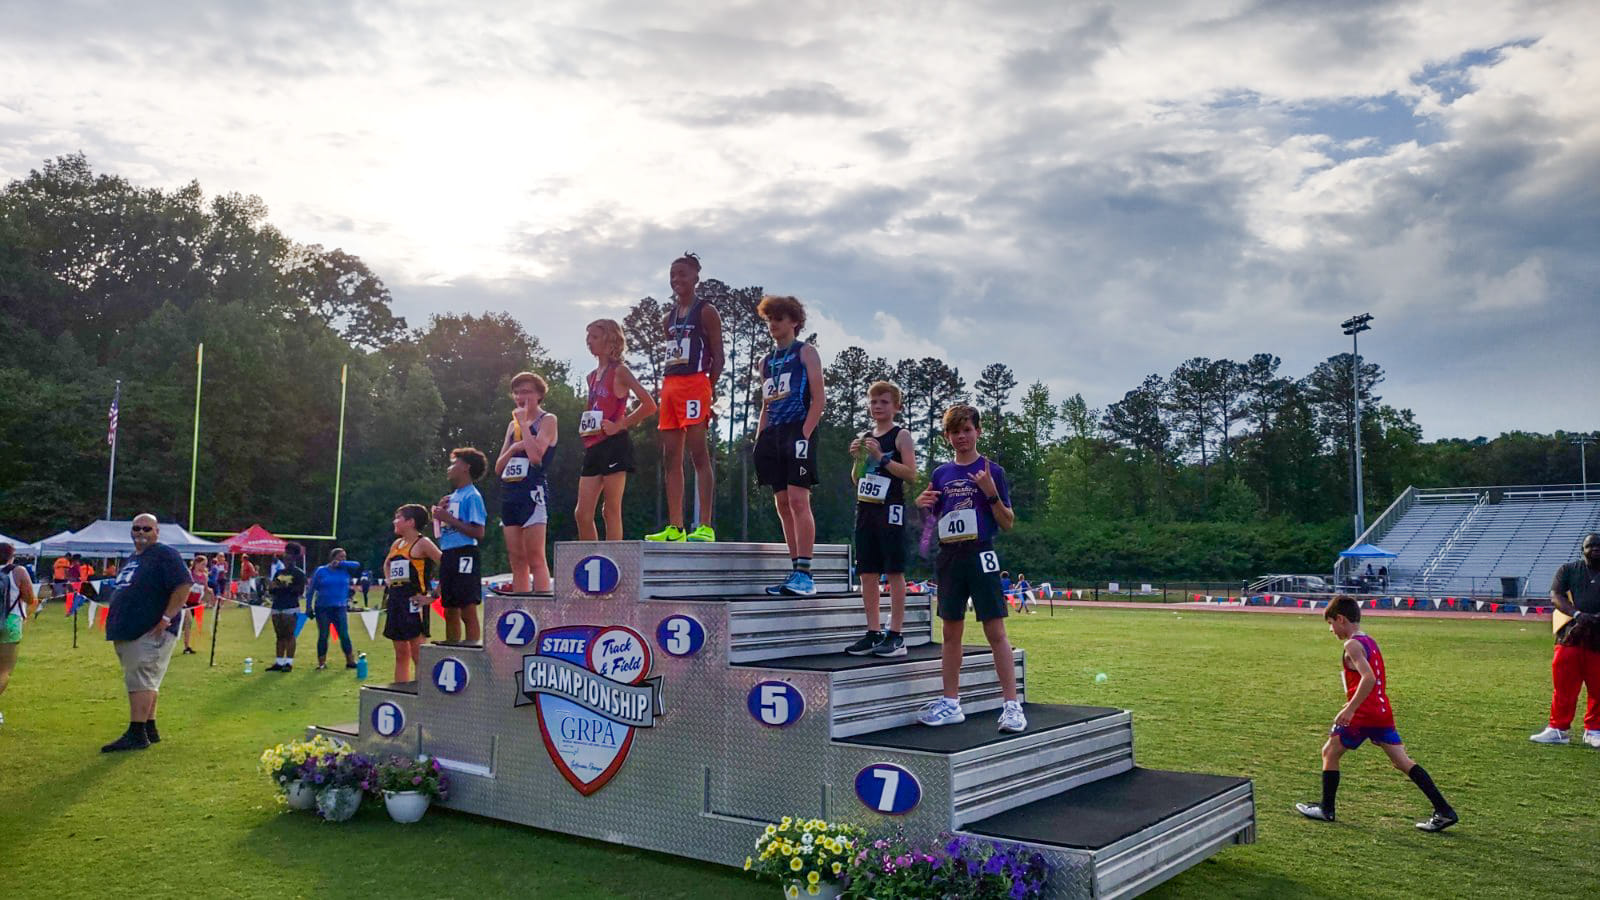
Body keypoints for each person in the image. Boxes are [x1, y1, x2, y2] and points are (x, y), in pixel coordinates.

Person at [1295, 595, 1458, 831]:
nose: (1331, 630)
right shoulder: (1369, 641)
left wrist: (1350, 709)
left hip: (1363, 714)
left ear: (1341, 619)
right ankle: (1444, 810)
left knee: (1329, 752)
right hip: (1381, 712)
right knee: (1402, 761)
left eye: (1331, 623)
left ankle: (1326, 809)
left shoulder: (1351, 644)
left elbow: (1368, 678)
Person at [916, 405, 1026, 733]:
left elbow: (1007, 523)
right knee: (951, 633)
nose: (961, 437)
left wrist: (990, 493)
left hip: (981, 554)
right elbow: (930, 524)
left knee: (995, 632)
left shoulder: (993, 470)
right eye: (955, 432)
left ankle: (1012, 706)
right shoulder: (941, 474)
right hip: (950, 556)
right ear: (947, 436)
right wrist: (922, 508)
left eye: (967, 430)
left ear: (978, 431)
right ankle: (950, 703)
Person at [646, 252, 724, 543]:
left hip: (695, 384)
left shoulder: (706, 311)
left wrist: (708, 390)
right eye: (673, 275)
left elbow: (718, 355)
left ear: (695, 278)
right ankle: (675, 527)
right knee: (670, 457)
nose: (677, 279)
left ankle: (705, 525)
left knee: (698, 452)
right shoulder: (668, 318)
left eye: (682, 274)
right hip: (671, 386)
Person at [101, 515, 194, 752]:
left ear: (157, 531)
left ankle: (137, 733)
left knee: (140, 680)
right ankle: (149, 727)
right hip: (130, 629)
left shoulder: (165, 554)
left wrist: (166, 617)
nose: (141, 532)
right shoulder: (136, 557)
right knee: (146, 680)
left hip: (149, 628)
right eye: (136, 528)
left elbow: (184, 584)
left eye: (146, 528)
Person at [754, 295, 826, 596]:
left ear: (794, 322)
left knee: (799, 500)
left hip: (799, 429)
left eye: (779, 319)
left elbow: (819, 399)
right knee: (782, 504)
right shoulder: (766, 361)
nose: (773, 324)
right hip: (773, 434)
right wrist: (760, 438)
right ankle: (794, 568)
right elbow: (766, 404)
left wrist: (805, 434)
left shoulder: (805, 353)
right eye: (769, 319)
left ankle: (806, 573)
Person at [843, 381, 916, 656]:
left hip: (891, 508)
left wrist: (880, 457)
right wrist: (857, 459)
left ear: (896, 406)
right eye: (873, 402)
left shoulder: (901, 435)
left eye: (884, 402)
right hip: (866, 509)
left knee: (894, 570)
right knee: (868, 572)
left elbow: (911, 473)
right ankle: (873, 632)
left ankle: (895, 634)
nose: (878, 407)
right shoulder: (865, 436)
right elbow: (857, 478)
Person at [575, 319, 656, 541]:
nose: (589, 341)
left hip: (615, 445)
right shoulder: (591, 377)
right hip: (593, 446)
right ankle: (591, 560)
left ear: (610, 340)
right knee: (582, 513)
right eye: (588, 337)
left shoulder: (620, 371)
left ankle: (613, 563)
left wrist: (619, 425)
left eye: (595, 337)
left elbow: (649, 405)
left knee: (610, 510)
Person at [1530, 532, 1600, 748]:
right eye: (1591, 545)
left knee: (1598, 687)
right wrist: (1578, 615)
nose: (1596, 548)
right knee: (1563, 686)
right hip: (1570, 636)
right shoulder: (1568, 570)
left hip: (1598, 639)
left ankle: (1594, 730)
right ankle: (1558, 729)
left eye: (1599, 545)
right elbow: (1556, 596)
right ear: (1583, 550)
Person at [496, 372, 557, 592]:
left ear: (539, 394)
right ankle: (521, 605)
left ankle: (541, 605)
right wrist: (513, 447)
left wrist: (525, 424)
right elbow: (498, 467)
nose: (522, 397)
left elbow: (536, 457)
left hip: (533, 492)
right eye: (518, 392)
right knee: (517, 559)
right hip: (510, 494)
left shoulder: (547, 420)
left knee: (535, 557)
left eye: (527, 391)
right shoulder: (512, 427)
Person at [433, 447, 489, 642]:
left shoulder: (472, 496)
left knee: (467, 606)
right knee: (449, 606)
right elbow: (443, 532)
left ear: (466, 467)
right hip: (448, 553)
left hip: (465, 553)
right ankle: (452, 645)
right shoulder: (453, 496)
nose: (449, 468)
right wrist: (439, 516)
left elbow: (478, 532)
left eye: (453, 463)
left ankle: (472, 645)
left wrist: (450, 518)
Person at [383, 504, 443, 682]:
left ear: (410, 522)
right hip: (396, 602)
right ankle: (401, 692)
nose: (395, 521)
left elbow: (447, 565)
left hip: (414, 604)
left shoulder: (423, 543)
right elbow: (387, 564)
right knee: (401, 653)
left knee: (418, 654)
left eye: (398, 517)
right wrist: (389, 582)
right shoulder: (397, 544)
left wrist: (432, 596)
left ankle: (421, 694)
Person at [306, 548, 362, 670]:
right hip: (322, 608)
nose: (343, 559)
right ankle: (321, 662)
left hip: (340, 607)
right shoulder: (321, 571)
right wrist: (308, 607)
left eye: (345, 557)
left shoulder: (345, 569)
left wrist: (341, 563)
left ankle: (350, 661)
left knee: (344, 635)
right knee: (323, 635)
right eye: (340, 557)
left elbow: (357, 565)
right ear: (333, 557)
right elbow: (311, 590)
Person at [1, 543, 40, 719]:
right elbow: (29, 597)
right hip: (10, 622)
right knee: (4, 670)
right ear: (12, 556)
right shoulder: (18, 571)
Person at [265, 545, 307, 672]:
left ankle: (288, 662)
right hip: (277, 606)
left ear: (294, 557)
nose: (286, 556)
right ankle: (279, 662)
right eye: (285, 554)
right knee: (279, 635)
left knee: (290, 635)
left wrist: (280, 587)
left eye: (289, 554)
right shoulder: (279, 572)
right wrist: (272, 588)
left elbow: (299, 591)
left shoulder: (299, 573)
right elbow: (271, 589)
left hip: (291, 607)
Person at [181, 555, 214, 655]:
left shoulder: (204, 576)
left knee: (186, 625)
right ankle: (186, 646)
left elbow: (205, 588)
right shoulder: (189, 573)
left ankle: (186, 647)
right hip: (185, 602)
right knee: (188, 622)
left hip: (195, 603)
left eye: (206, 564)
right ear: (196, 563)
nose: (204, 566)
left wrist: (210, 593)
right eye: (203, 564)